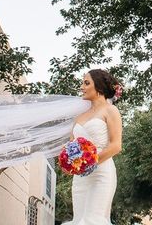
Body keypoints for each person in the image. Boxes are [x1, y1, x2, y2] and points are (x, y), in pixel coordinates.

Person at [62, 69, 122, 225]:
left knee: (93, 220)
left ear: (100, 88)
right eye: (82, 82)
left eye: (86, 83)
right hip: (80, 178)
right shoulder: (79, 117)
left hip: (102, 174)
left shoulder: (111, 111)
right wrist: (68, 163)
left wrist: (91, 162)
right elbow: (70, 146)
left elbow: (116, 146)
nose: (82, 86)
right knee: (79, 219)